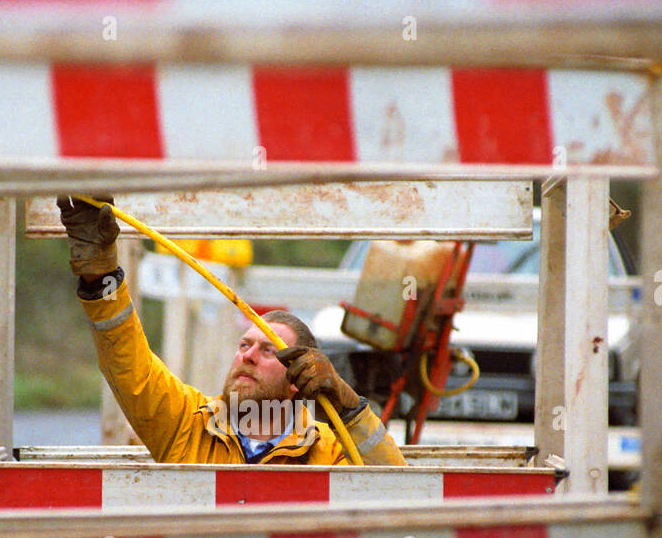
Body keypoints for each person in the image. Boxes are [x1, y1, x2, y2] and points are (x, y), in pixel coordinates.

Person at [57, 195, 406, 466]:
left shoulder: (328, 451)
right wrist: (100, 277)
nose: (248, 355)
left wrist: (350, 409)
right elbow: (129, 368)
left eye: (268, 350)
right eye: (244, 344)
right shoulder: (186, 422)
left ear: (299, 381)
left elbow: (397, 495)